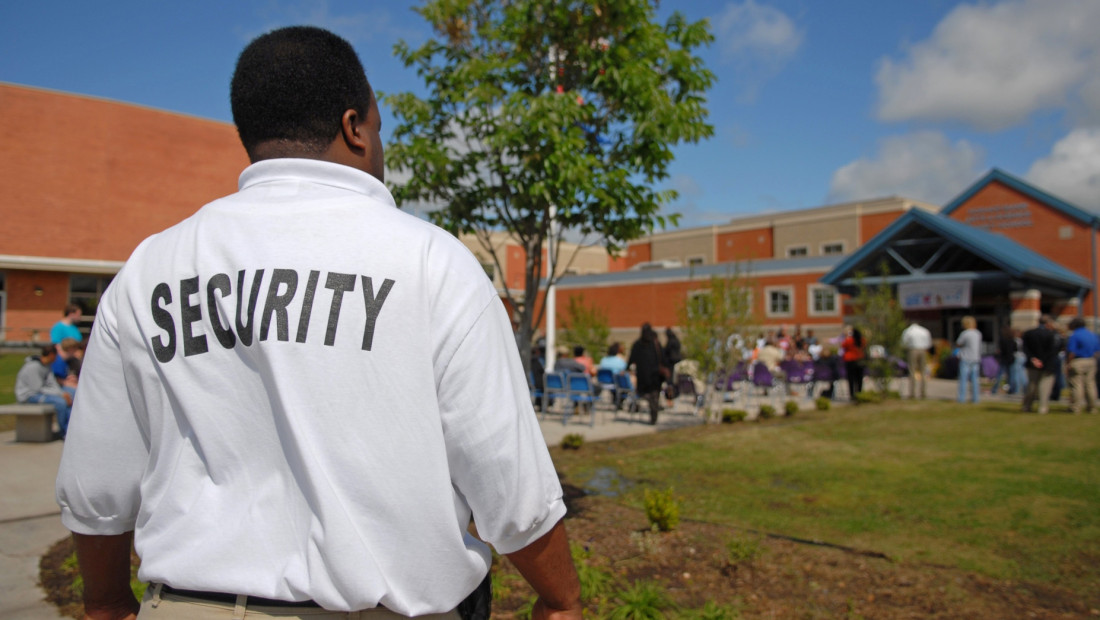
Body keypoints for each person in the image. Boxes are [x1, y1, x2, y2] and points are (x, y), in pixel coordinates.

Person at [55, 26, 580, 620]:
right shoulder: (432, 263)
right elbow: (508, 480)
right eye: (379, 129)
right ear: (355, 127)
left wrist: (102, 600)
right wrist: (561, 598)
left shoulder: (151, 268)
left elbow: (96, 485)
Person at [15, 344, 74, 438]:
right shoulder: (33, 366)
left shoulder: (48, 366)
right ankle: (64, 432)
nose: (57, 358)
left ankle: (71, 428)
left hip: (41, 392)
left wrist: (62, 393)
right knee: (61, 402)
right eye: (56, 355)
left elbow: (52, 383)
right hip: (28, 396)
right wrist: (60, 395)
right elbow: (37, 388)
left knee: (71, 395)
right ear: (51, 355)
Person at [1021, 315, 1059, 415]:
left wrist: (1033, 359)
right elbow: (1052, 350)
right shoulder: (1051, 334)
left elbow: (1025, 348)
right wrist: (1042, 360)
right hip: (1047, 364)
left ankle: (1027, 406)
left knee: (1032, 385)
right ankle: (1042, 407)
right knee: (1044, 387)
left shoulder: (1029, 333)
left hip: (1032, 363)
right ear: (1047, 323)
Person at [628, 323, 664, 424]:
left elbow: (631, 359)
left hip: (645, 377)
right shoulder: (655, 344)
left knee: (647, 394)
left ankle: (653, 413)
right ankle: (653, 413)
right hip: (654, 377)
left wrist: (627, 368)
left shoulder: (638, 344)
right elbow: (663, 358)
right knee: (654, 396)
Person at [1065, 316, 1099, 414]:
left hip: (1078, 360)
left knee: (1076, 384)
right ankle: (1092, 407)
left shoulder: (1075, 335)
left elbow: (1071, 352)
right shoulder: (1092, 334)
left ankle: (1075, 407)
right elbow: (1097, 351)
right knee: (1090, 384)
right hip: (1091, 360)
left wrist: (1068, 363)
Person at [900, 321, 932, 399]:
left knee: (912, 371)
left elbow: (903, 342)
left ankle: (912, 393)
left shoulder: (908, 331)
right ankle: (923, 392)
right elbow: (929, 343)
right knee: (923, 371)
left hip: (912, 350)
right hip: (923, 350)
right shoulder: (924, 330)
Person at [955, 316, 982, 404]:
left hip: (966, 358)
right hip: (975, 358)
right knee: (975, 379)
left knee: (963, 379)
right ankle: (975, 398)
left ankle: (961, 398)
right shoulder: (978, 333)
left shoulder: (965, 333)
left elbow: (958, 344)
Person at [991, 325, 1018, 395]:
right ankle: (1012, 390)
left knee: (999, 375)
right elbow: (1015, 349)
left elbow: (1001, 350)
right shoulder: (1012, 340)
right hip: (1011, 359)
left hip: (1004, 359)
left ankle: (994, 389)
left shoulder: (1002, 340)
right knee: (1011, 375)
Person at [841, 326, 865, 398]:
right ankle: (859, 393)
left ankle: (852, 394)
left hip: (850, 360)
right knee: (859, 378)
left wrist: (847, 336)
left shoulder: (849, 340)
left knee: (851, 378)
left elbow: (843, 345)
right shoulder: (862, 340)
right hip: (860, 359)